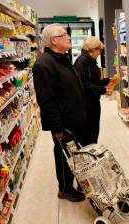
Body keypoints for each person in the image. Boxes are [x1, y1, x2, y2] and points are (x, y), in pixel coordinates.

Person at [33, 23, 86, 202]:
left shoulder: (62, 57)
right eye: (65, 34)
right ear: (54, 40)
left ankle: (76, 182)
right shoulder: (43, 64)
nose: (69, 37)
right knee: (64, 156)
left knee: (74, 155)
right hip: (63, 123)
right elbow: (46, 100)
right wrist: (57, 128)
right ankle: (65, 189)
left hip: (74, 118)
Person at [74, 37, 117, 144]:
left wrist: (106, 81)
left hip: (92, 102)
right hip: (87, 105)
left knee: (93, 131)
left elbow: (92, 81)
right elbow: (83, 84)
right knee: (90, 133)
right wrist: (102, 90)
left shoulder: (89, 60)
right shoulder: (83, 61)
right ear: (92, 49)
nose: (99, 53)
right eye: (99, 50)